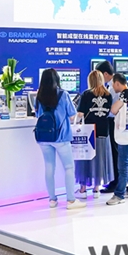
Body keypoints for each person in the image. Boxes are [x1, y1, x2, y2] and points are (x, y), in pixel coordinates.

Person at [35, 69, 85, 210]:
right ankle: (71, 200)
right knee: (68, 167)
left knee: (49, 167)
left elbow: (38, 115)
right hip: (61, 136)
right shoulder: (63, 94)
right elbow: (72, 115)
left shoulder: (39, 96)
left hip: (43, 137)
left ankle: (52, 200)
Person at [74, 70, 114, 199]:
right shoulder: (108, 95)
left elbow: (80, 114)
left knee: (85, 159)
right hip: (103, 131)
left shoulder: (86, 94)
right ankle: (96, 188)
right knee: (100, 160)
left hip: (89, 132)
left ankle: (83, 189)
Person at [107, 73, 128, 206]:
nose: (112, 87)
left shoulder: (125, 93)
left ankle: (119, 194)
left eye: (113, 84)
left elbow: (114, 110)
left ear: (117, 83)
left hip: (126, 135)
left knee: (122, 166)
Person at [96, 60, 120, 193]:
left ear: (105, 74)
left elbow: (113, 109)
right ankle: (116, 182)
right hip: (114, 122)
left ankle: (116, 183)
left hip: (114, 122)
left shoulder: (114, 87)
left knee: (115, 153)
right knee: (115, 152)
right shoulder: (113, 84)